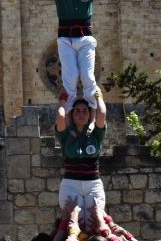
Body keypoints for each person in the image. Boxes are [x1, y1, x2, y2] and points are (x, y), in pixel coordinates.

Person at [39, 0, 108, 112]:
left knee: (87, 76)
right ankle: (69, 111)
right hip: (65, 40)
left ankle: (93, 109)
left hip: (85, 39)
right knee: (69, 79)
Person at [55, 90, 108, 225]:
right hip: (70, 185)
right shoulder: (66, 135)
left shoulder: (95, 134)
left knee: (94, 222)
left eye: (85, 111)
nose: (81, 114)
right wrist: (63, 100)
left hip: (93, 184)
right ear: (72, 115)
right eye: (77, 111)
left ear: (90, 114)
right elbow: (61, 117)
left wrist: (98, 95)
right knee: (73, 223)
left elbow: (102, 114)